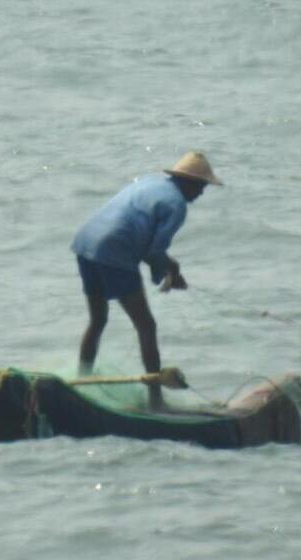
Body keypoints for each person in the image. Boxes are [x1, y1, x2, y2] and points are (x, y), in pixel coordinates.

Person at [71, 151, 223, 408]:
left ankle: (81, 381)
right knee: (146, 326)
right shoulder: (177, 205)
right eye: (200, 186)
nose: (201, 193)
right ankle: (156, 398)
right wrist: (168, 271)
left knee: (98, 319)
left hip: (86, 243)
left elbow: (147, 244)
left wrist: (168, 269)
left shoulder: (150, 182)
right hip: (114, 251)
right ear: (188, 183)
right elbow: (153, 251)